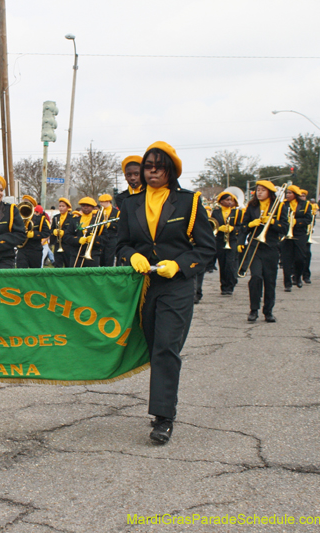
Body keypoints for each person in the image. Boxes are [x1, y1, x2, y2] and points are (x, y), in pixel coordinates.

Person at [116, 141, 215, 444]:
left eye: (159, 166)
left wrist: (180, 264)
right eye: (148, 166)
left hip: (177, 285)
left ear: (171, 170)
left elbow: (207, 248)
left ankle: (163, 417)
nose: (153, 171)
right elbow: (120, 243)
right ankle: (163, 409)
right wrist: (130, 255)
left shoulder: (189, 201)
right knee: (150, 343)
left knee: (166, 347)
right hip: (144, 287)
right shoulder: (130, 203)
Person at [238, 180, 286, 322]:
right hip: (254, 247)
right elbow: (243, 226)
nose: (259, 192)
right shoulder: (252, 206)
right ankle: (254, 309)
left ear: (270, 192)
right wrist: (250, 226)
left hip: (271, 247)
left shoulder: (279, 207)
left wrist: (272, 222)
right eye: (258, 190)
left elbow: (284, 228)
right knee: (256, 277)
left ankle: (268, 311)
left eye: (262, 190)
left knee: (270, 281)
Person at [279, 185, 311, 292]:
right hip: (286, 234)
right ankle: (287, 283)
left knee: (300, 258)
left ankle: (297, 277)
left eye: (290, 193)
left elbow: (308, 219)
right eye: (287, 193)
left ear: (295, 194)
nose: (287, 195)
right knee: (286, 260)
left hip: (299, 234)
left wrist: (296, 222)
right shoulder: (283, 204)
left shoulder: (305, 205)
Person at [211, 191, 241, 296]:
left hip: (232, 240)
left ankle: (230, 285)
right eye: (227, 200)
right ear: (221, 201)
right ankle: (223, 286)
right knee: (222, 263)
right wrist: (219, 228)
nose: (229, 202)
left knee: (230, 263)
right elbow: (212, 224)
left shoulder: (236, 213)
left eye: (230, 200)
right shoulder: (216, 212)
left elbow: (241, 226)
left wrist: (233, 229)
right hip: (220, 240)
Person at [64, 197, 107, 268]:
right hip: (76, 255)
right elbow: (66, 237)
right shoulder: (74, 220)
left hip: (93, 255)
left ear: (93, 207)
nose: (85, 207)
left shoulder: (98, 220)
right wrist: (78, 240)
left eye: (88, 206)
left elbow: (105, 238)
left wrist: (94, 239)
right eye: (83, 206)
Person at [16, 195, 51, 269]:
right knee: (20, 273)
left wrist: (34, 234)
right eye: (24, 202)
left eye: (27, 203)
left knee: (35, 274)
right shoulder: (19, 219)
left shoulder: (40, 219)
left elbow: (47, 233)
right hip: (22, 250)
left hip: (35, 250)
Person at [50, 198, 73, 268]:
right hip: (57, 244)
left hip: (68, 245)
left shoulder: (72, 218)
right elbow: (51, 230)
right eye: (60, 206)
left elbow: (72, 231)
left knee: (68, 264)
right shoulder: (55, 217)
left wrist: (64, 233)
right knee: (57, 264)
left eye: (63, 206)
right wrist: (53, 232)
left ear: (68, 207)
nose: (61, 208)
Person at [98, 194, 120, 267]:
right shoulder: (99, 212)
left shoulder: (116, 212)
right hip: (102, 237)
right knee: (101, 258)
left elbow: (119, 226)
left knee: (109, 257)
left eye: (102, 202)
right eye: (100, 202)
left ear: (108, 202)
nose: (100, 204)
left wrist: (110, 225)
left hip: (112, 237)